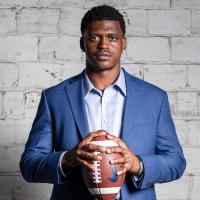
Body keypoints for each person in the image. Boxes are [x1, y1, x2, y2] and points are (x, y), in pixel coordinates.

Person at [20, 5, 186, 200]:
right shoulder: (55, 98)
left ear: (124, 43)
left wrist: (136, 164)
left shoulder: (154, 98)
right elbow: (29, 165)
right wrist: (68, 159)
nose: (103, 45)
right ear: (82, 43)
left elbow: (176, 162)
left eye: (112, 38)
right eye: (94, 37)